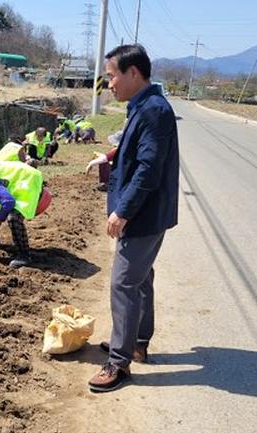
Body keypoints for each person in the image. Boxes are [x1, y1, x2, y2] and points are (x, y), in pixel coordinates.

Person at [87, 44, 179, 393]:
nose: (108, 83)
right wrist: (109, 155)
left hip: (142, 214)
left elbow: (148, 168)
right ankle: (138, 342)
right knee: (140, 279)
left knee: (124, 283)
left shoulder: (154, 110)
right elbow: (135, 146)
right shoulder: (144, 106)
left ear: (133, 73)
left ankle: (118, 363)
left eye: (112, 75)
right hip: (148, 213)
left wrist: (122, 211)